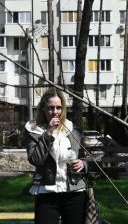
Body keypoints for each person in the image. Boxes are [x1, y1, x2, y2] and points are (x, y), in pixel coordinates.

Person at [24, 90, 89, 224]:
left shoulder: (72, 128)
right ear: (43, 108)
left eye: (59, 107)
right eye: (50, 107)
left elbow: (85, 156)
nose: (55, 112)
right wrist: (48, 133)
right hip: (46, 192)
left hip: (74, 191)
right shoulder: (33, 130)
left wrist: (83, 164)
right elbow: (35, 159)